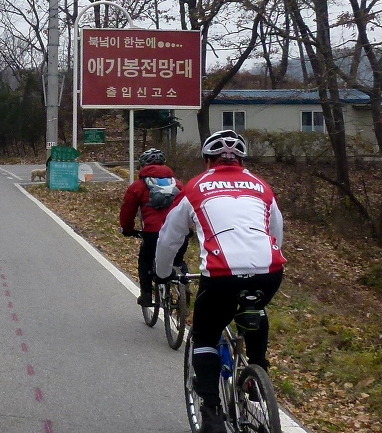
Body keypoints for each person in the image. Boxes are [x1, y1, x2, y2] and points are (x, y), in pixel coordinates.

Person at [154, 130, 286, 433]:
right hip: (270, 270)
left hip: (223, 274)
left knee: (204, 335)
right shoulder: (262, 186)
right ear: (242, 160)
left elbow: (169, 238)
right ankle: (258, 368)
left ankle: (211, 411)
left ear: (207, 160)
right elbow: (276, 232)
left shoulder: (195, 187)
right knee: (254, 307)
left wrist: (162, 273)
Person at [118, 147, 188, 307]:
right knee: (178, 259)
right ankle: (184, 282)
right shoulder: (178, 184)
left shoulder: (138, 185)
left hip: (152, 233)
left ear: (143, 166)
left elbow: (128, 211)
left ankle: (147, 295)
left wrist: (128, 229)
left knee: (146, 260)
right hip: (178, 232)